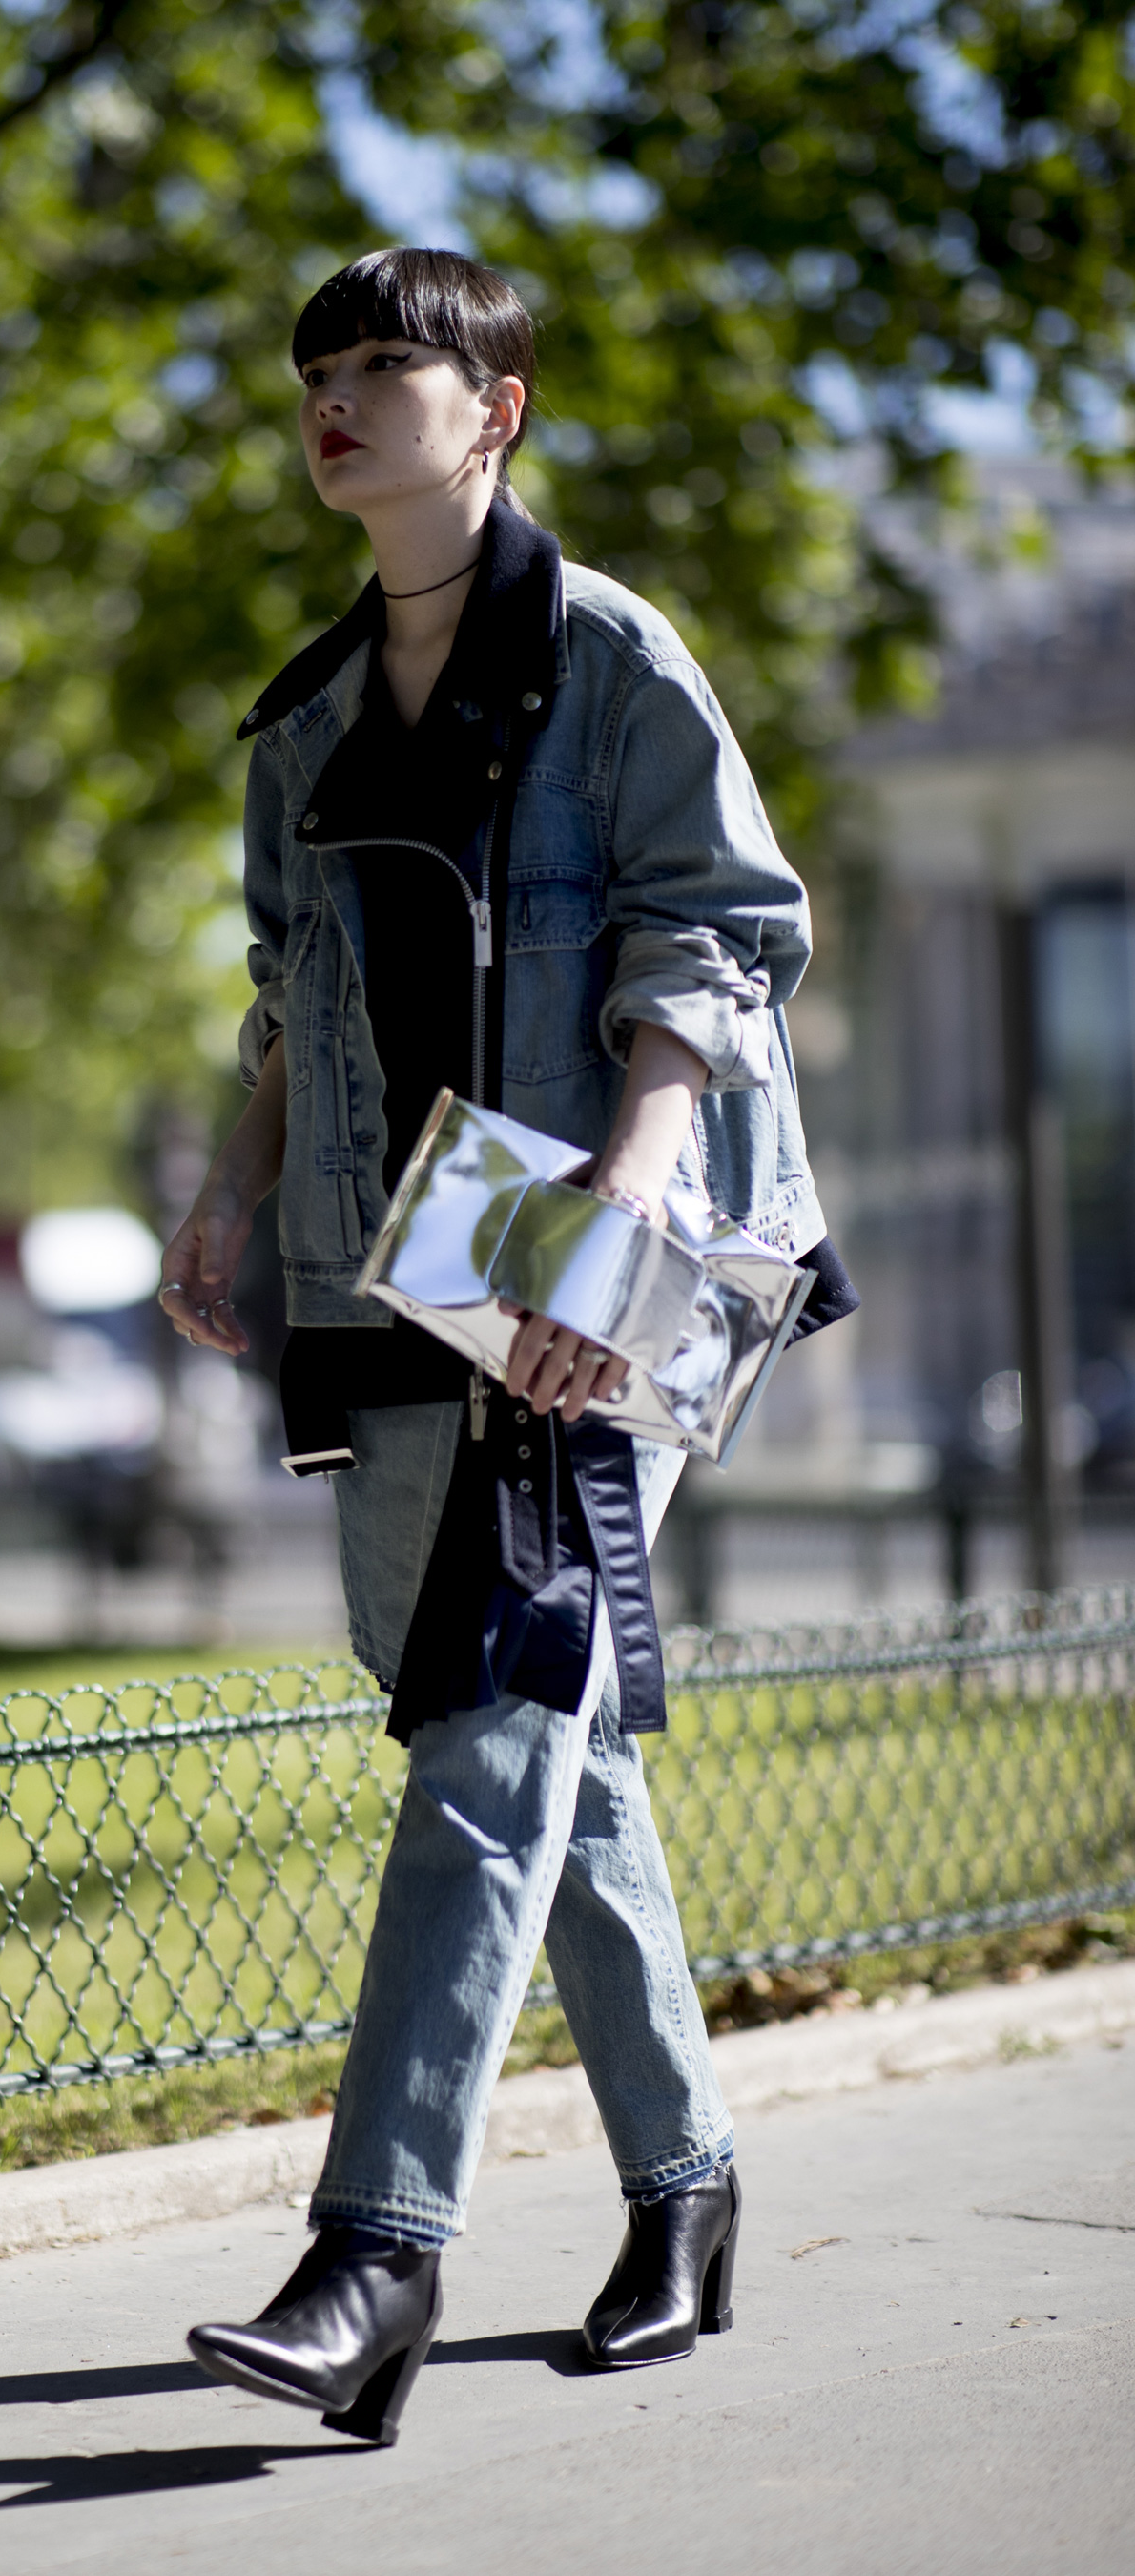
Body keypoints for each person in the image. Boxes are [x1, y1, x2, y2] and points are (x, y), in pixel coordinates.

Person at [157, 248, 854, 2446]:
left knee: (488, 1731)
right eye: (322, 374)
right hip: (397, 1284)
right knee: (549, 1750)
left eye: (391, 368)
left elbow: (716, 951)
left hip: (586, 1293)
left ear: (501, 412)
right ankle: (692, 2193)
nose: (343, 402)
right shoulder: (300, 724)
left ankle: (378, 2256)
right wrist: (233, 1189)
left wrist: (626, 1204)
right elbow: (295, 990)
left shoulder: (616, 663)